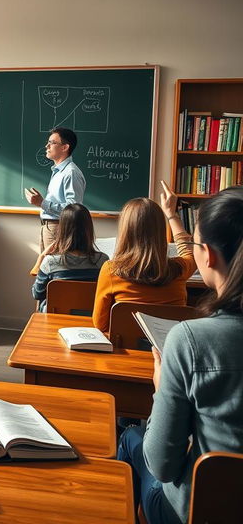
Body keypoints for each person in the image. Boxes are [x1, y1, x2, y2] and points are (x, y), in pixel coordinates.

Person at [117, 186, 243, 524]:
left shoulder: (190, 341)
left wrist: (161, 386)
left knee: (131, 437)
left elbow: (161, 463)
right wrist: (172, 216)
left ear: (209, 257)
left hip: (197, 511)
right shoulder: (180, 270)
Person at [92, 181, 196, 332]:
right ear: (160, 233)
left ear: (125, 232)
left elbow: (100, 325)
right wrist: (171, 215)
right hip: (166, 352)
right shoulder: (180, 269)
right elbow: (189, 253)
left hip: (125, 351)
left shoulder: (111, 270)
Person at [31, 203, 108, 312]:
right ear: (89, 228)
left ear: (62, 229)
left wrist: (43, 257)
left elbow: (37, 294)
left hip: (55, 318)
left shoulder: (51, 262)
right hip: (89, 319)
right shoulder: (103, 261)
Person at [25, 127, 86, 252]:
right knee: (45, 269)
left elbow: (74, 210)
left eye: (52, 142)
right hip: (49, 227)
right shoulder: (59, 171)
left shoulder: (70, 173)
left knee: (54, 270)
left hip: (59, 229)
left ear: (65, 147)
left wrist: (42, 203)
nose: (46, 146)